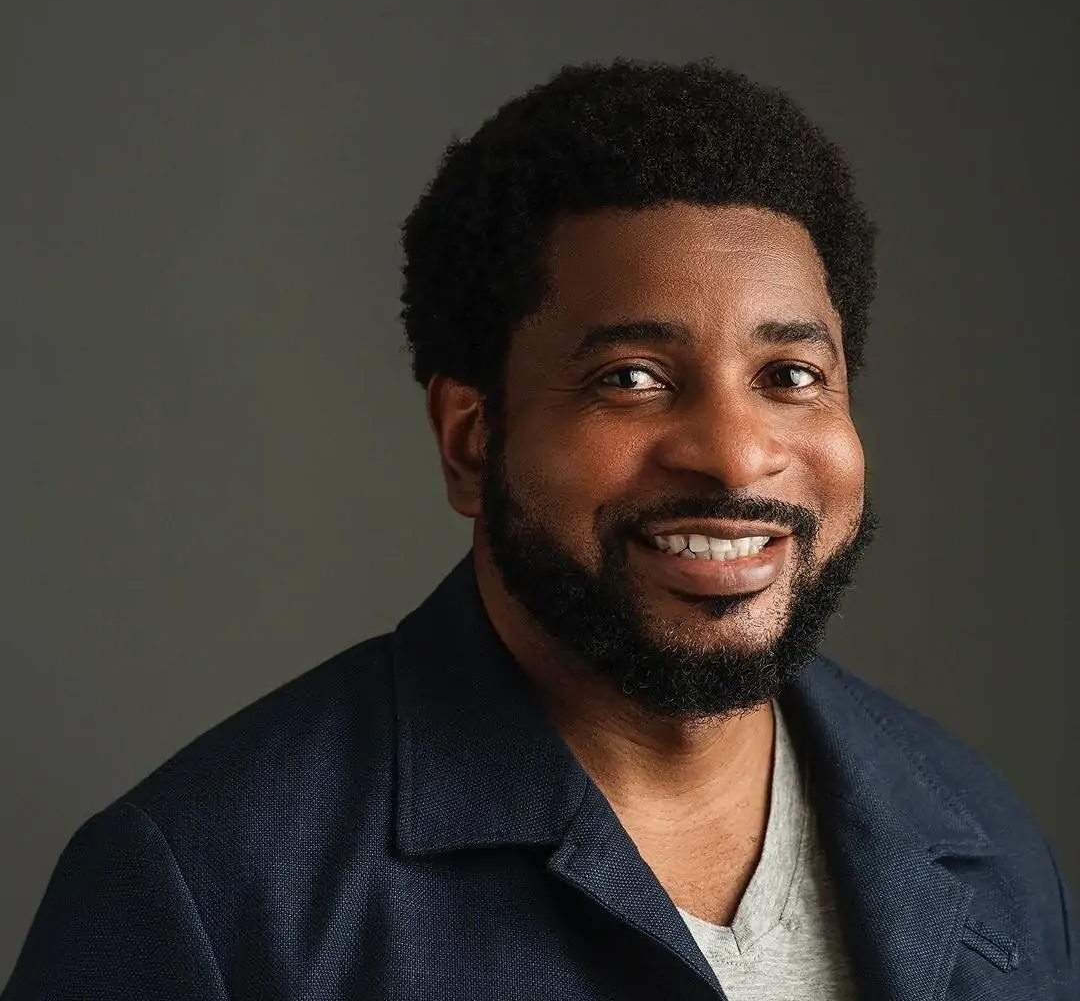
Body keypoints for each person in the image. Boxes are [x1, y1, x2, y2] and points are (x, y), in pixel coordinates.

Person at [2, 60, 1074, 1001]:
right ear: (473, 441)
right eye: (632, 378)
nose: (736, 454)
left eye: (790, 375)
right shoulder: (206, 892)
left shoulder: (977, 838)